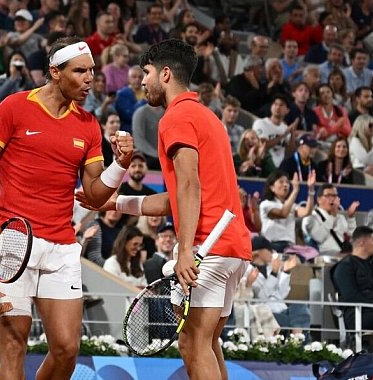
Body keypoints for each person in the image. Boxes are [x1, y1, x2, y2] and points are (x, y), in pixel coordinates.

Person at [0, 37, 134, 380]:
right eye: (80, 71)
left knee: (67, 349)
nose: (90, 79)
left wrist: (121, 164)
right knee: (14, 343)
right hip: (12, 242)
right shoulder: (14, 107)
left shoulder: (88, 124)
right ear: (55, 72)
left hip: (61, 247)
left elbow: (95, 195)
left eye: (92, 71)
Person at [96, 39, 252, 380]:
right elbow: (176, 197)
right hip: (232, 246)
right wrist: (117, 202)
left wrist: (184, 251)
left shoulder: (176, 117)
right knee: (205, 343)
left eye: (146, 73)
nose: (142, 81)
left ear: (165, 74)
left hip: (208, 246)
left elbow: (189, 186)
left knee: (193, 343)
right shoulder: (207, 117)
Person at [259, 170, 315, 253]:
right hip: (272, 245)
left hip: (289, 246)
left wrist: (311, 190)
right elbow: (283, 213)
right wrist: (295, 191)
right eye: (281, 182)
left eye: (287, 182)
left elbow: (307, 212)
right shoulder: (266, 204)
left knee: (310, 253)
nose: (285, 185)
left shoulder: (292, 206)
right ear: (272, 187)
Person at [303, 184, 358, 255]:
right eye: (328, 196)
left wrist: (351, 218)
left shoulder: (340, 217)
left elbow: (353, 237)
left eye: (334, 196)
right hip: (321, 256)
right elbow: (318, 238)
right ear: (319, 199)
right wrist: (332, 215)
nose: (332, 199)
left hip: (341, 255)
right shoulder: (312, 217)